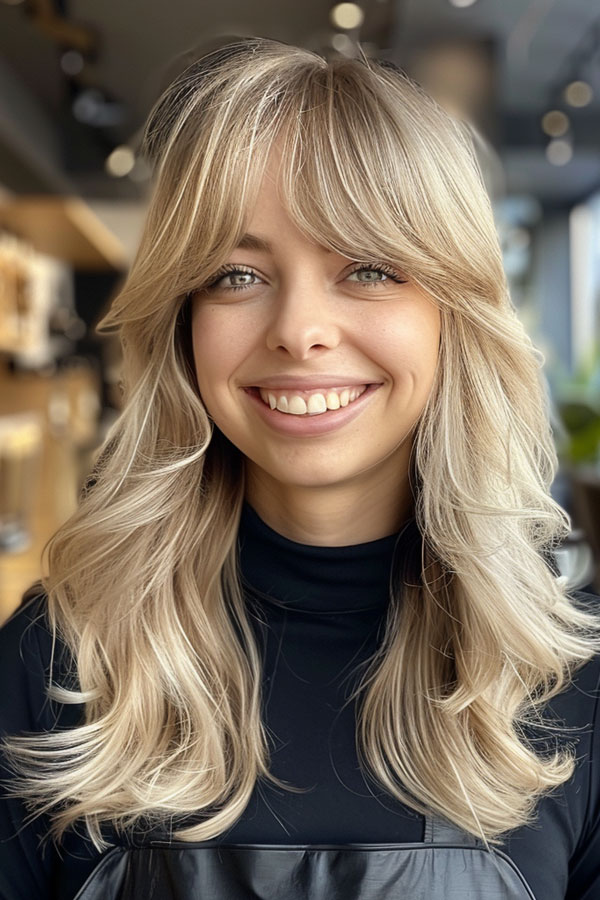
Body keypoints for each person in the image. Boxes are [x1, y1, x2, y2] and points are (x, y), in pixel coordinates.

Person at [1, 35, 599, 900]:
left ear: (452, 314)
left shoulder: (572, 688)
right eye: (237, 274)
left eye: (366, 268)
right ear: (184, 322)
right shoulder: (58, 665)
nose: (299, 329)